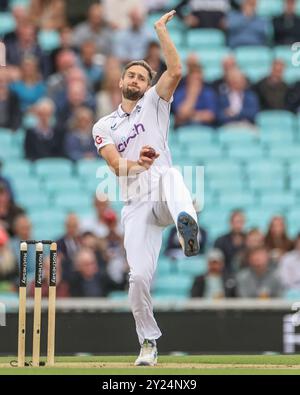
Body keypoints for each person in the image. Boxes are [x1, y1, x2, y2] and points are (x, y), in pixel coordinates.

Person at [92, 10, 200, 366]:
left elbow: (177, 70)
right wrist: (138, 163)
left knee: (172, 175)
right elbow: (113, 165)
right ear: (122, 80)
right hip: (136, 204)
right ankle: (149, 343)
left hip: (163, 193)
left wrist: (160, 31)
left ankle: (187, 224)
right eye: (132, 75)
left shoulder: (155, 102)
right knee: (138, 277)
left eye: (142, 76)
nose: (137, 80)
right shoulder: (103, 125)